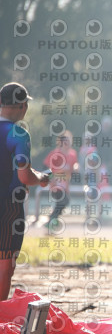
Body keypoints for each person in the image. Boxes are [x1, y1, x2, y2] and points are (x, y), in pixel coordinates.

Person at [0, 82, 50, 300]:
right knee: (5, 265)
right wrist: (41, 178)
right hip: (8, 206)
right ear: (23, 106)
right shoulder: (18, 134)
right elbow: (24, 177)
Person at [43, 129, 78, 228]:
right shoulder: (55, 154)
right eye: (65, 141)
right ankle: (52, 220)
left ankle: (52, 221)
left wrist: (76, 167)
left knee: (63, 202)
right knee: (63, 201)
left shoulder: (72, 154)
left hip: (65, 185)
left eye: (69, 140)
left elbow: (74, 165)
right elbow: (46, 167)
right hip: (56, 184)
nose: (68, 143)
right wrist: (51, 178)